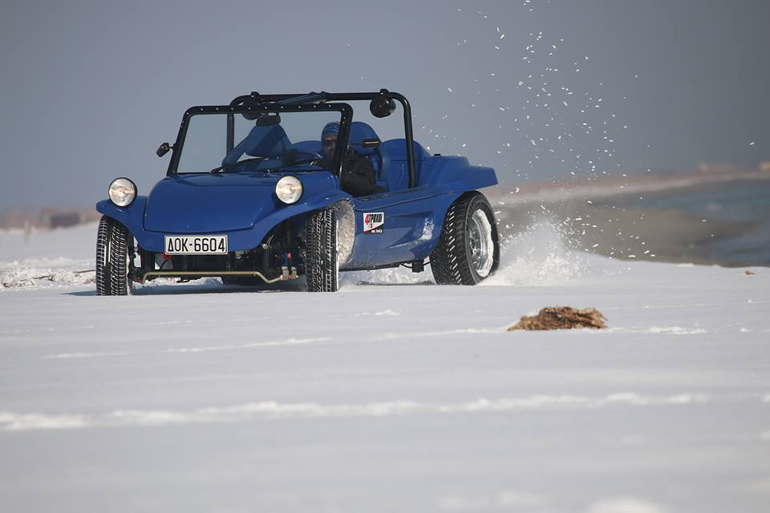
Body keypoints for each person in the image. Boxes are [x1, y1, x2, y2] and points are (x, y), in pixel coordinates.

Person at [320, 122, 376, 197]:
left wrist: (342, 173)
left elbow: (367, 188)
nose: (333, 147)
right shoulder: (318, 164)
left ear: (347, 143)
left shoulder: (361, 163)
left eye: (337, 142)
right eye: (328, 143)